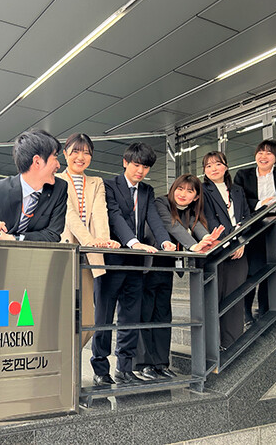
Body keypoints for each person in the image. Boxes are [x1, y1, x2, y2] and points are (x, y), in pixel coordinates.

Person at [90, 142, 176, 385]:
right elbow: (114, 217)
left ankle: (124, 368)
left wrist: (165, 242)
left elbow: (153, 218)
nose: (140, 171)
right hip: (112, 261)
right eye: (137, 165)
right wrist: (133, 242)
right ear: (125, 162)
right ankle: (100, 369)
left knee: (131, 317)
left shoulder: (147, 190)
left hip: (137, 264)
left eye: (145, 167)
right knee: (104, 317)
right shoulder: (108, 185)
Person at [136, 174, 218, 379]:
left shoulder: (190, 211)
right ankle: (144, 363)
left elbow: (197, 227)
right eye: (180, 189)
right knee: (145, 312)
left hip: (167, 265)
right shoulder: (161, 203)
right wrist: (194, 245)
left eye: (190, 191)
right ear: (173, 189)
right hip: (149, 263)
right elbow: (171, 225)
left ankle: (161, 363)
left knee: (163, 314)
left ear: (196, 196)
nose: (183, 194)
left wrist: (208, 239)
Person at [55, 133, 120, 348]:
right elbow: (68, 214)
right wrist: (89, 240)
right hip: (63, 253)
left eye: (86, 152)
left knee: (88, 321)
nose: (80, 157)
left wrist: (103, 240)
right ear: (65, 154)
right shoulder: (56, 179)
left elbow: (100, 213)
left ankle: (69, 357)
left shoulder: (96, 182)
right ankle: (61, 359)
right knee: (60, 314)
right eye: (75, 151)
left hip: (87, 255)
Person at [233, 139, 276, 324]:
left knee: (270, 270)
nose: (263, 156)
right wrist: (261, 204)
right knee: (250, 272)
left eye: (269, 153)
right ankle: (245, 313)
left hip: (275, 229)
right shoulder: (243, 175)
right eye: (260, 152)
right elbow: (239, 201)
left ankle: (265, 311)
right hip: (252, 228)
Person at [0, 129, 68, 242]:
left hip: (37, 253)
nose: (58, 165)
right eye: (55, 157)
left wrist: (15, 239)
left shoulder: (59, 189)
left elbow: (53, 234)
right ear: (37, 161)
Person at [203, 151, 251, 349]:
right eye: (208, 166)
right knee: (212, 300)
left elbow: (247, 216)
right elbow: (208, 219)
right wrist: (231, 242)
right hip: (215, 251)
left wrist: (241, 241)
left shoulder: (237, 190)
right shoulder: (202, 190)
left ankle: (232, 345)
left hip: (238, 251)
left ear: (226, 167)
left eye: (218, 164)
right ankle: (212, 348)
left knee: (235, 298)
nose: (213, 169)